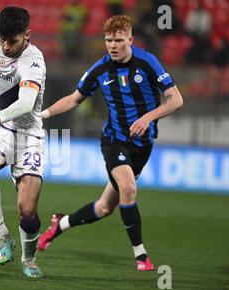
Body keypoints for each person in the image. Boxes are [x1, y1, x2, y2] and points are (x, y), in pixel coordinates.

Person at [38, 15, 183, 271]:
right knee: (128, 189)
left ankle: (60, 224)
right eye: (108, 40)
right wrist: (43, 115)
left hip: (143, 145)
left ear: (130, 40)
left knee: (105, 207)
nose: (113, 45)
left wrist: (148, 117)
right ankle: (141, 256)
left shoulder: (148, 63)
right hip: (114, 141)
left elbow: (175, 99)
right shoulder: (100, 69)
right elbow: (74, 99)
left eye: (118, 40)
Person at [0, 2, 47, 278]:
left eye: (12, 41)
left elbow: (26, 103)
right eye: (2, 39)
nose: (4, 46)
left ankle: (29, 259)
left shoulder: (34, 62)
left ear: (27, 34)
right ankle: (3, 235)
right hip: (0, 126)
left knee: (27, 210)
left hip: (28, 135)